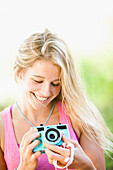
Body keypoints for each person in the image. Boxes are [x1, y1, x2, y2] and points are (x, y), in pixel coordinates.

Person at [0, 29, 113, 170]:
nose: (47, 92)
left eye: (56, 83)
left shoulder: (79, 114)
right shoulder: (2, 127)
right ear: (19, 74)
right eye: (38, 80)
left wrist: (85, 165)